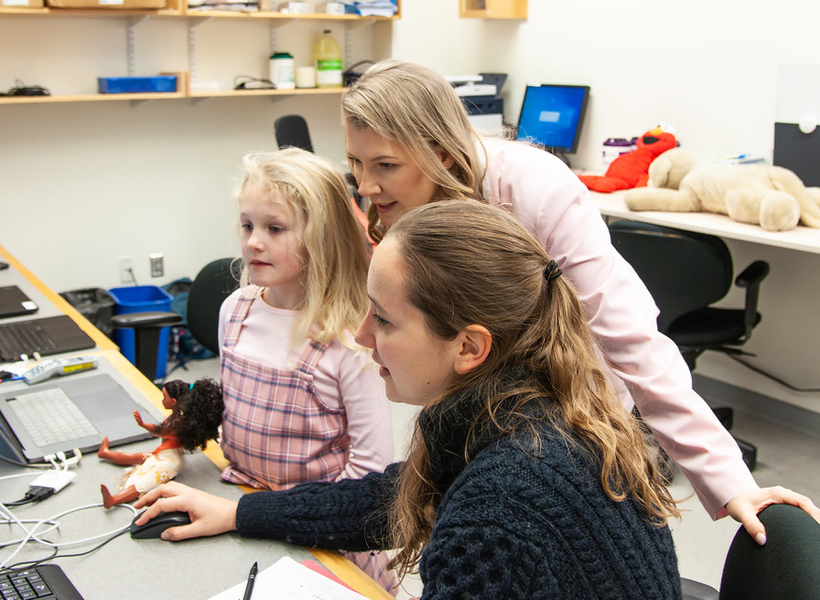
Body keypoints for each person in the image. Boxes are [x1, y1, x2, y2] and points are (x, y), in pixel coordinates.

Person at [338, 59, 820, 544]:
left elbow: (629, 338)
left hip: (574, 392)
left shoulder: (531, 186)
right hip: (482, 389)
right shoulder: (400, 200)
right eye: (356, 163)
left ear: (441, 152)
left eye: (385, 165)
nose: (366, 185)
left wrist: (731, 482)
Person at [135, 200, 683, 599]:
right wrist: (239, 511)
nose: (362, 335)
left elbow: (463, 512)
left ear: (469, 346)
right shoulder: (538, 409)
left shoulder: (495, 512)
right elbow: (398, 495)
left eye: (385, 319)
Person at [217, 148, 395, 590]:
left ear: (321, 237)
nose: (254, 241)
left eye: (274, 228)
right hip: (238, 503)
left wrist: (294, 518)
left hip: (319, 534)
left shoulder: (350, 341)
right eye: (248, 225)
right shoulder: (234, 311)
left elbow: (370, 470)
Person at [98, 378, 223, 508]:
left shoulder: (178, 423)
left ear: (174, 401)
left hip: (169, 461)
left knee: (142, 483)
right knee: (136, 457)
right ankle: (105, 453)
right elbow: (161, 431)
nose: (162, 400)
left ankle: (114, 499)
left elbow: (160, 431)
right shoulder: (176, 418)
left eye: (164, 397)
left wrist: (143, 424)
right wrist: (143, 424)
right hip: (163, 453)